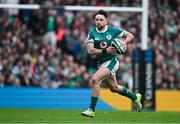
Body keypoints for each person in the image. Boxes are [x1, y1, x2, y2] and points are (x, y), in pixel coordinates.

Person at [81, 10, 142, 117]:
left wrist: (124, 42)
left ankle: (91, 110)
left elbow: (130, 35)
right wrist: (105, 50)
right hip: (101, 64)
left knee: (95, 79)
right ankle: (135, 97)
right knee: (114, 88)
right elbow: (90, 50)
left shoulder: (112, 30)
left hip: (112, 62)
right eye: (97, 20)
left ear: (106, 21)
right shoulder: (92, 32)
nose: (98, 22)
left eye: (101, 20)